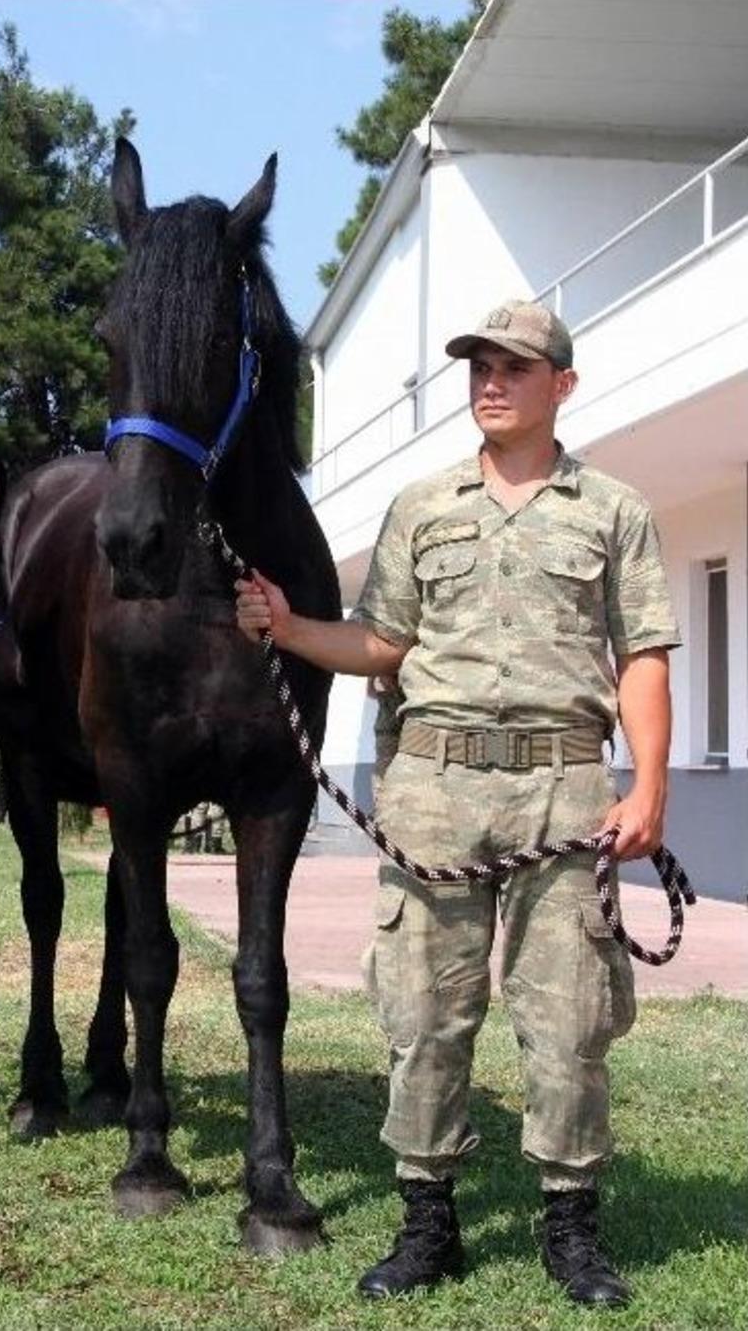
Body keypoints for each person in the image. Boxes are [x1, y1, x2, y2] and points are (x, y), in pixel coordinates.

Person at [235, 299, 680, 1309]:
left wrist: (648, 783)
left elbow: (644, 655)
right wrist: (292, 626)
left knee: (568, 1017)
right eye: (479, 363)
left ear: (560, 384)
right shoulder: (422, 506)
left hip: (565, 784)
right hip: (432, 786)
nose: (490, 379)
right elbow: (382, 642)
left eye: (514, 365)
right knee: (425, 1012)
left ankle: (571, 1225)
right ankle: (426, 1221)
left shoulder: (611, 510)